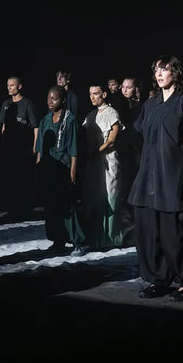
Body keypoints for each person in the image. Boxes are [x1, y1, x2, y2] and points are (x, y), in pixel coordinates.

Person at [128, 55, 183, 302]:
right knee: (150, 231)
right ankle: (159, 279)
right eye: (157, 70)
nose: (159, 74)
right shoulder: (151, 104)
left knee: (176, 233)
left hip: (173, 176)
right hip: (149, 176)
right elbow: (140, 136)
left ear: (176, 73)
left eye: (165, 69)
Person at [35, 85, 83, 254]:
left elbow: (74, 149)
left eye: (54, 99)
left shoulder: (69, 120)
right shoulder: (45, 120)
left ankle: (78, 241)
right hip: (49, 169)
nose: (50, 102)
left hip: (64, 168)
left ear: (63, 100)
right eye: (48, 98)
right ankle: (58, 240)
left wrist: (73, 173)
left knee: (68, 206)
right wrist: (39, 171)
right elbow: (40, 149)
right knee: (52, 206)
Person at [81, 82, 123, 251]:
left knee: (110, 194)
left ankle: (111, 237)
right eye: (90, 94)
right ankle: (96, 237)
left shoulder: (112, 113)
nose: (92, 97)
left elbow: (112, 140)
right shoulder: (90, 115)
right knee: (95, 196)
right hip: (93, 162)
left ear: (104, 94)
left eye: (96, 93)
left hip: (108, 160)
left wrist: (97, 151)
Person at [0, 76, 39, 219]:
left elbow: (35, 127)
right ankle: (13, 209)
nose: (9, 88)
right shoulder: (6, 104)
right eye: (8, 85)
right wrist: (2, 144)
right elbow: (4, 126)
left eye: (12, 85)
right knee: (11, 179)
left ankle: (26, 208)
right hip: (10, 149)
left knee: (24, 178)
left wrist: (35, 146)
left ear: (19, 86)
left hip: (23, 149)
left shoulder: (27, 104)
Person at [115, 77, 143, 246]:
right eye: (123, 87)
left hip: (137, 153)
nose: (124, 90)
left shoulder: (142, 107)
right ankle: (128, 230)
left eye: (128, 87)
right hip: (125, 153)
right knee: (125, 191)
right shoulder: (119, 104)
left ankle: (136, 230)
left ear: (136, 88)